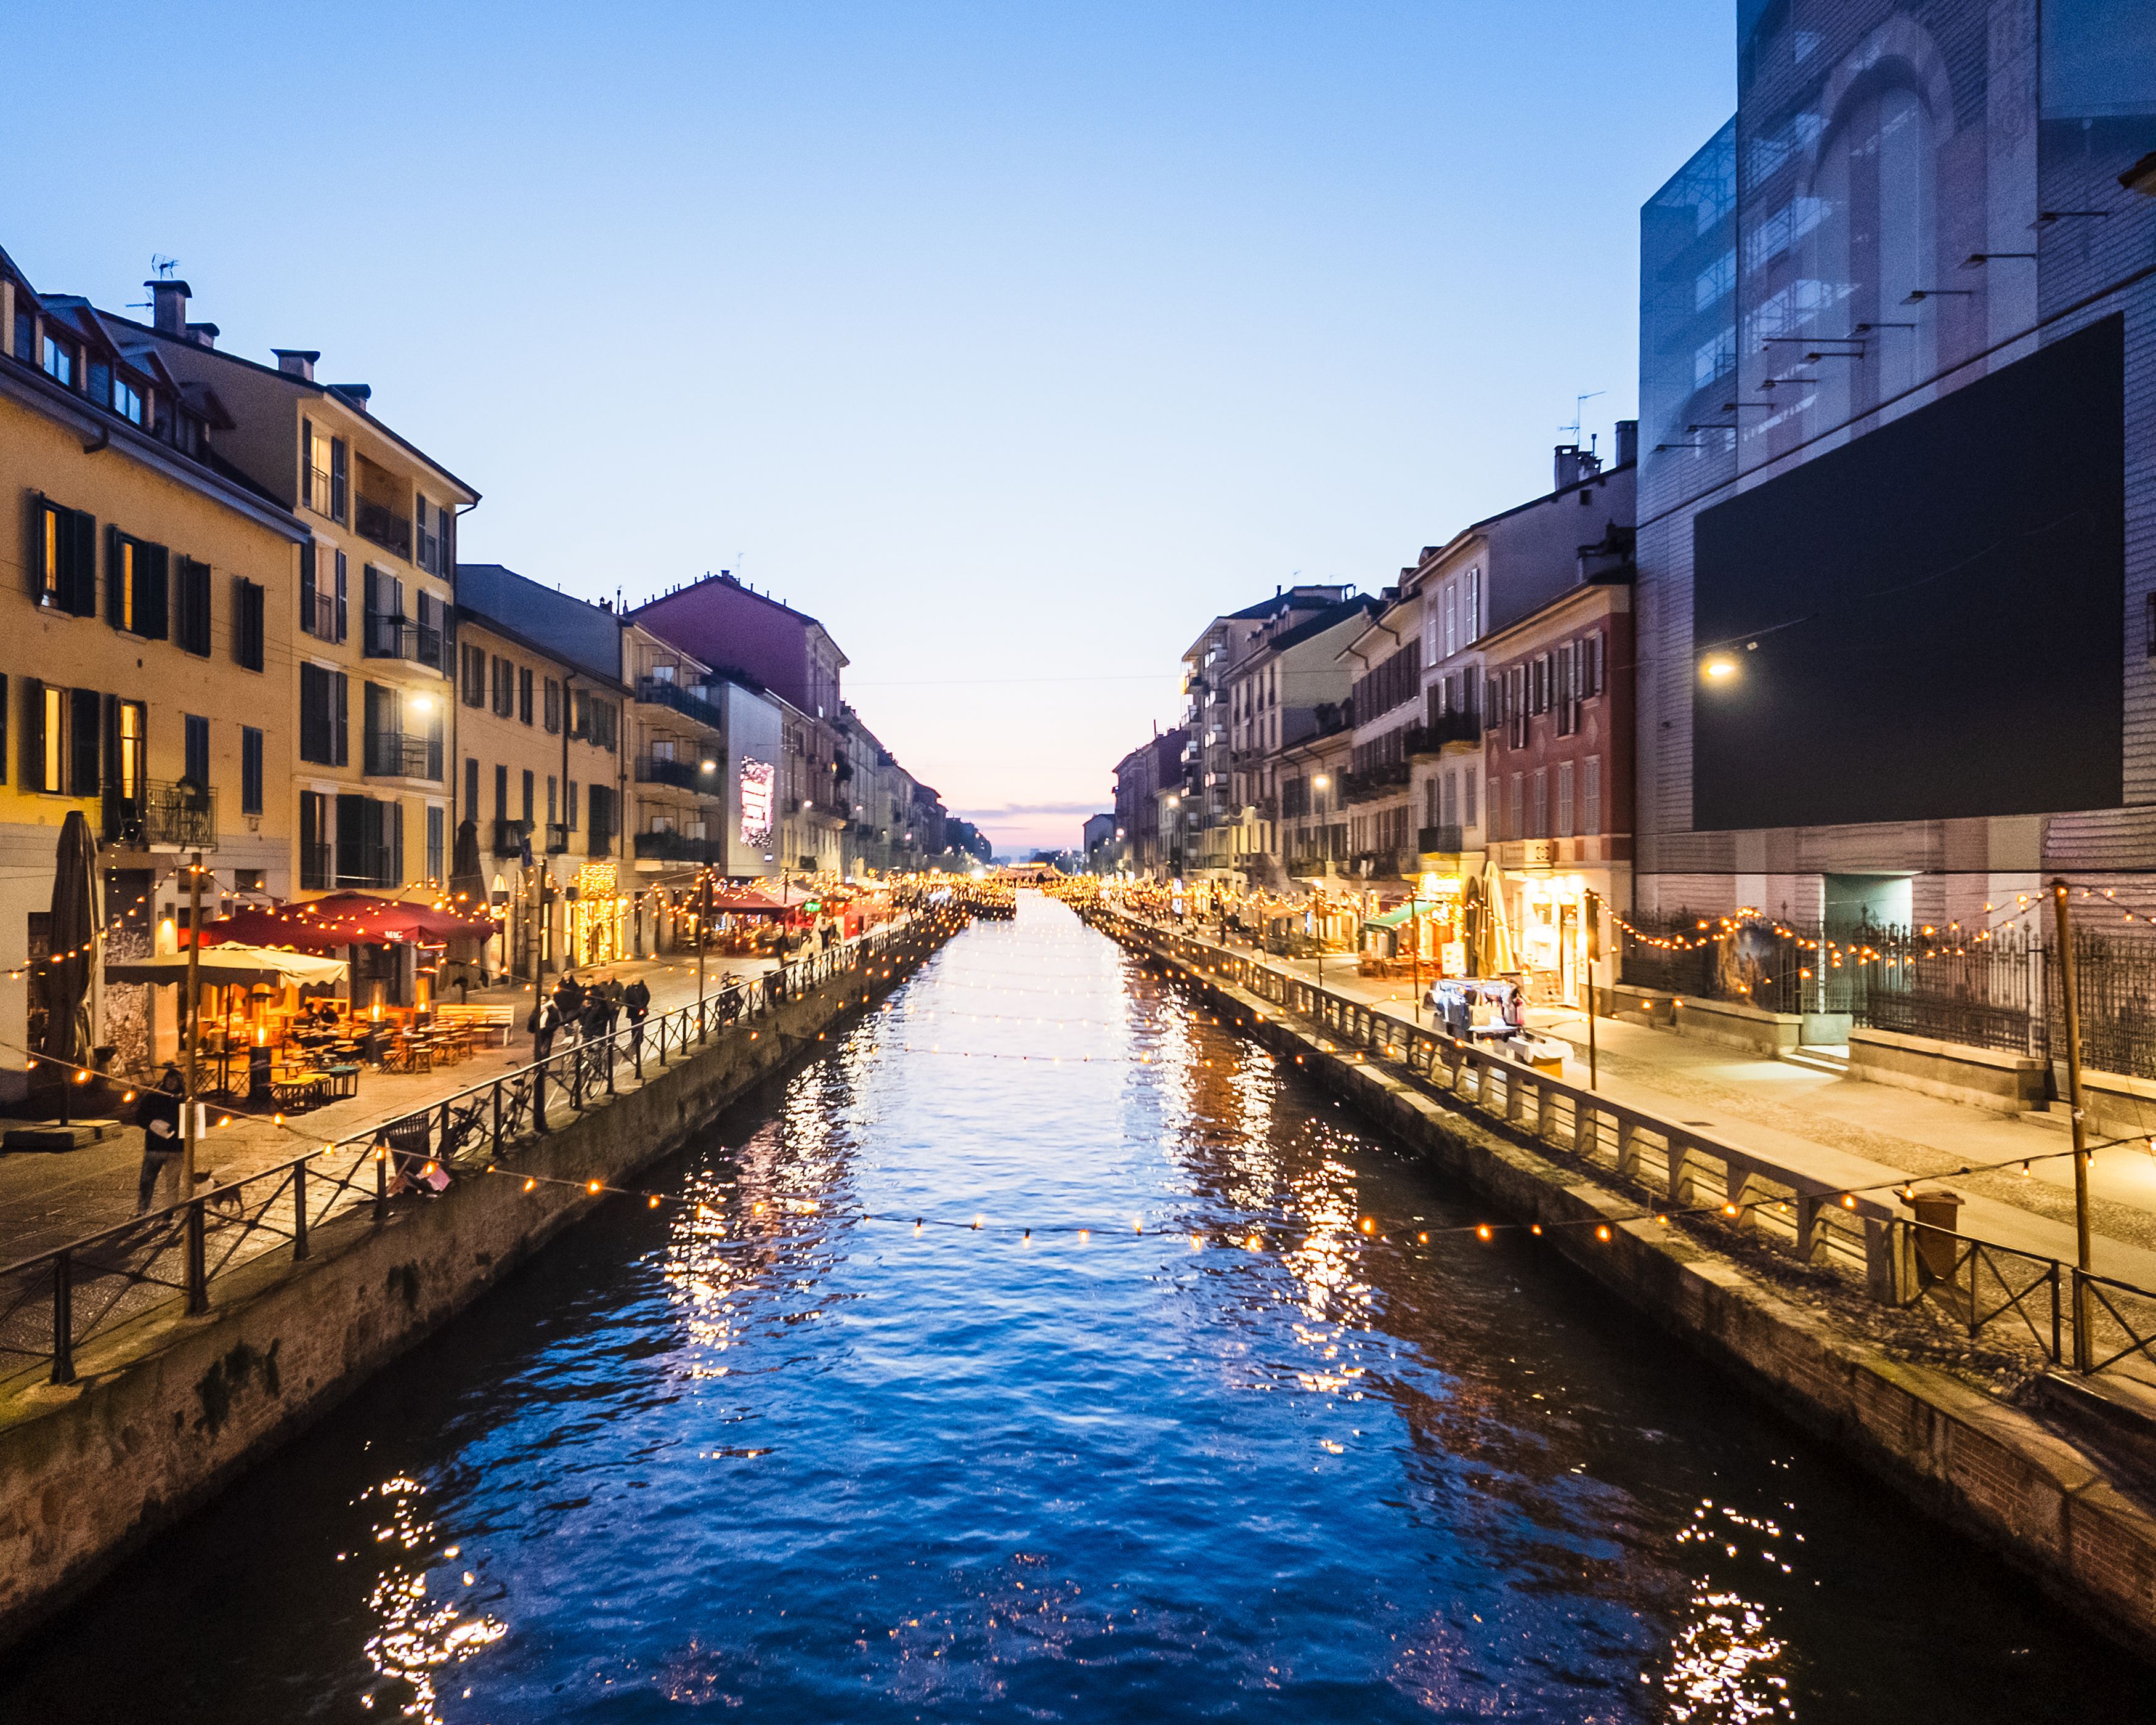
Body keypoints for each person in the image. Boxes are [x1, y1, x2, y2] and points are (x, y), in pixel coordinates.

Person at [134, 1066, 184, 1215]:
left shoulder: (185, 1101)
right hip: (154, 1147)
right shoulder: (153, 1098)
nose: (171, 1082)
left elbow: (192, 1123)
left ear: (180, 1082)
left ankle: (169, 1213)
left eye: (174, 1080)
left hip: (176, 1149)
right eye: (168, 1079)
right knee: (147, 1181)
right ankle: (142, 1210)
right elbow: (140, 1117)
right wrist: (152, 1124)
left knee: (173, 1184)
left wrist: (173, 1128)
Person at [528, 993, 563, 1131]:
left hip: (547, 1032)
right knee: (537, 1051)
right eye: (541, 1000)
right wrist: (538, 1013)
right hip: (539, 1032)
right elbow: (531, 1021)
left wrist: (548, 1028)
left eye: (544, 1000)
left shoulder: (553, 1011)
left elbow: (556, 1022)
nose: (542, 1002)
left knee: (545, 1050)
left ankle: (544, 1067)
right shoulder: (538, 1009)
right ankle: (538, 1066)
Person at [623, 976, 651, 1077]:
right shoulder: (629, 988)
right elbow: (625, 998)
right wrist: (628, 1004)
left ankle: (639, 1038)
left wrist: (642, 1006)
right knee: (633, 1024)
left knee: (639, 1023)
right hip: (632, 1010)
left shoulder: (643, 988)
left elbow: (647, 997)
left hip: (640, 1010)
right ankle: (634, 1038)